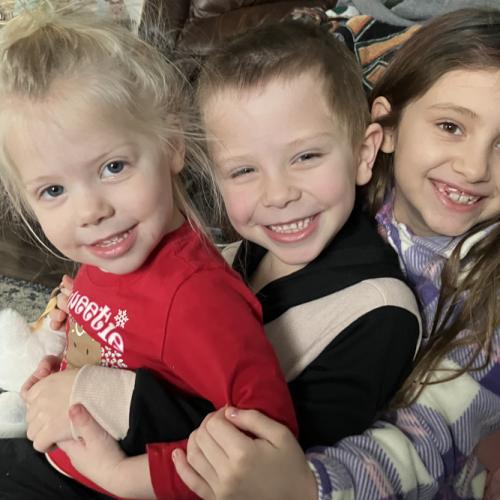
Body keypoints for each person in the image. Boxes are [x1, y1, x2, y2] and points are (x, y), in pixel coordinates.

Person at [19, 19, 423, 498]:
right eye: (244, 170)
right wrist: (78, 358)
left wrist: (103, 405)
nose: (278, 194)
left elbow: (271, 468)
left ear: (363, 153)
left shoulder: (379, 313)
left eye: (306, 157)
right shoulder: (242, 252)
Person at [166, 7, 500, 499]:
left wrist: (308, 485)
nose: (473, 167)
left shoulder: (487, 297)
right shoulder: (336, 192)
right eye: (451, 127)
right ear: (384, 131)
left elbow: (429, 441)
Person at [0, 3, 298, 499]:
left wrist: (128, 475)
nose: (90, 210)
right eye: (53, 191)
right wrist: (59, 375)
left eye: (113, 167)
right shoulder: (109, 249)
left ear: (172, 143)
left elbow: (263, 452)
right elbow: (115, 346)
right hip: (60, 454)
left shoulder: (198, 301)